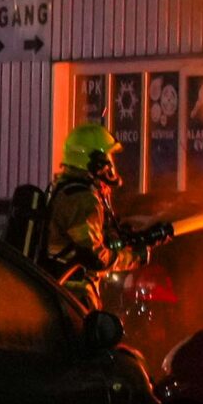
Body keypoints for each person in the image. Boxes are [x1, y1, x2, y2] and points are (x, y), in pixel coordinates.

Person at [41, 123, 149, 303]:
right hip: (73, 296)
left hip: (57, 291)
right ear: (95, 162)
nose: (110, 166)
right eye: (107, 158)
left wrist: (123, 238)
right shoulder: (83, 200)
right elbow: (95, 258)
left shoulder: (63, 189)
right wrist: (133, 257)